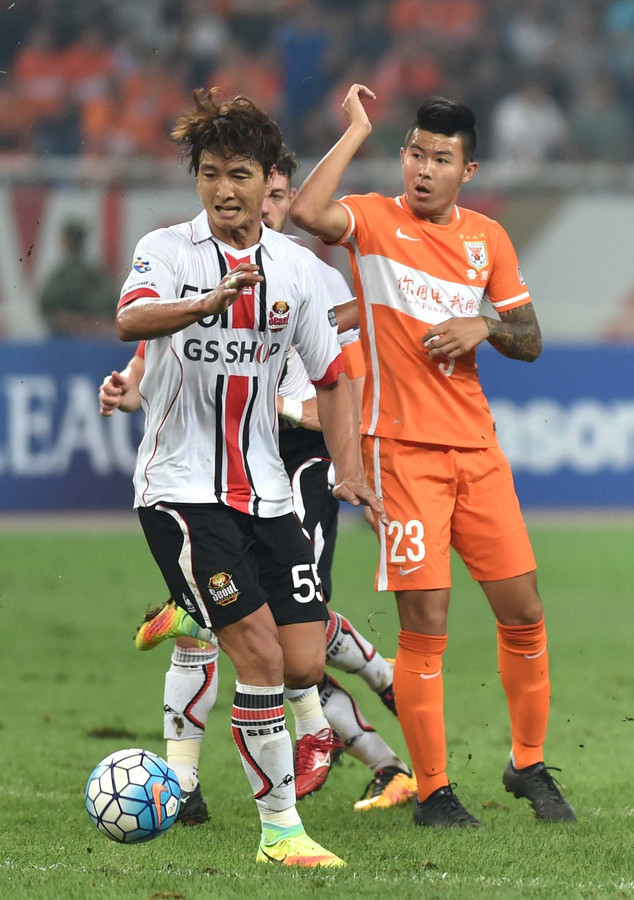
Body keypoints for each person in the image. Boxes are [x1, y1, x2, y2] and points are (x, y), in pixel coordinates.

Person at [290, 85, 575, 826]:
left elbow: (531, 339)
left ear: (467, 170)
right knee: (428, 621)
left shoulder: (490, 239)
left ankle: (529, 764)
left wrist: (482, 325)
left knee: (524, 609)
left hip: (478, 450)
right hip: (402, 454)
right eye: (414, 152)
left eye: (439, 158)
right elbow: (305, 212)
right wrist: (355, 130)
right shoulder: (375, 220)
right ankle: (435, 789)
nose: (422, 168)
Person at [102, 147, 418, 817]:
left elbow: (336, 378)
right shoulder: (168, 250)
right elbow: (140, 337)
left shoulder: (306, 274)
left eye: (264, 190)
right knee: (246, 648)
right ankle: (212, 796)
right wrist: (129, 385)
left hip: (289, 472)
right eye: (213, 177)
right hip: (189, 490)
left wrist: (349, 467)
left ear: (278, 196)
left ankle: (372, 703)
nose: (245, 199)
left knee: (296, 652)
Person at [40, 219, 117, 336]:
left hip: (88, 333)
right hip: (68, 334)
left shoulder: (84, 272)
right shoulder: (90, 271)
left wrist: (84, 321)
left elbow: (109, 303)